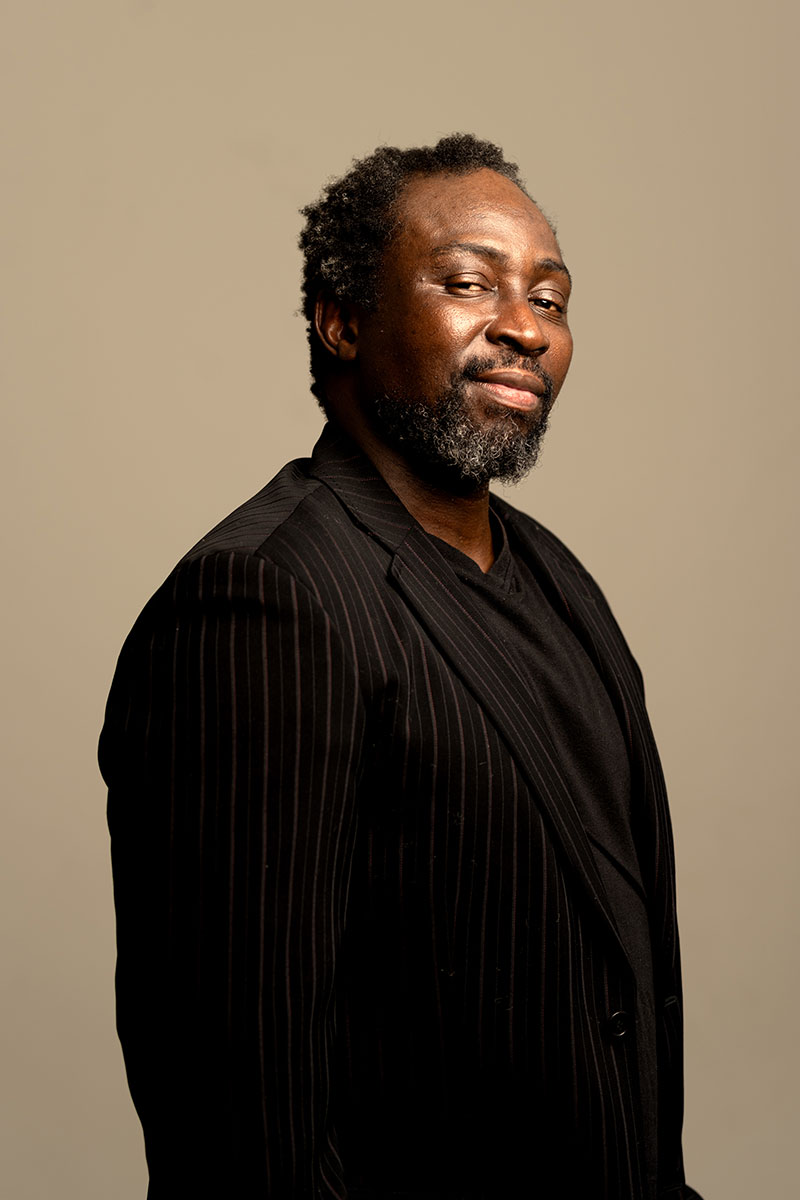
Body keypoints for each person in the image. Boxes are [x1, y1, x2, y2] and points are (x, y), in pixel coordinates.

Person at [99, 134, 702, 1200]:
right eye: (468, 283)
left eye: (549, 299)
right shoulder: (264, 599)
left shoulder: (557, 577)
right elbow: (237, 1122)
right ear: (342, 321)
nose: (524, 327)